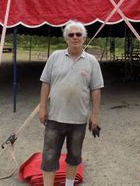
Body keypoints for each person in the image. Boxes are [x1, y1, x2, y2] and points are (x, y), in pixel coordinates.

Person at [38, 20, 104, 186]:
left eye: (78, 34)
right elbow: (45, 83)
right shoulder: (55, 57)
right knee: (49, 156)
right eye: (71, 35)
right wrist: (42, 108)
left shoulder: (91, 61)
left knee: (74, 156)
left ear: (84, 38)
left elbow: (96, 89)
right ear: (66, 38)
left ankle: (69, 184)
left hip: (78, 120)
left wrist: (94, 116)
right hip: (54, 118)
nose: (75, 37)